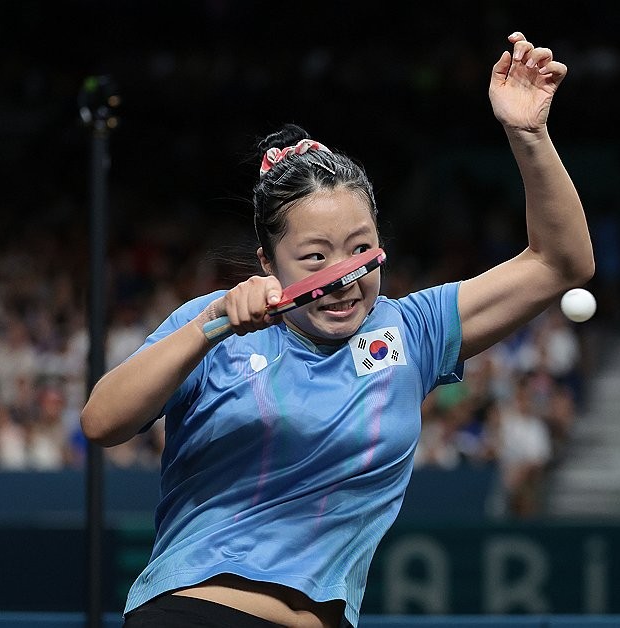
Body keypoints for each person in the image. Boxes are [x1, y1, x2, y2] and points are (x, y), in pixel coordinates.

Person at [80, 31, 592, 628]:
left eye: (359, 249)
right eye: (315, 257)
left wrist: (528, 135)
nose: (341, 278)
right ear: (269, 264)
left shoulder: (416, 331)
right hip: (199, 612)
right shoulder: (215, 328)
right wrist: (209, 327)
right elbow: (101, 422)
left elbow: (561, 263)